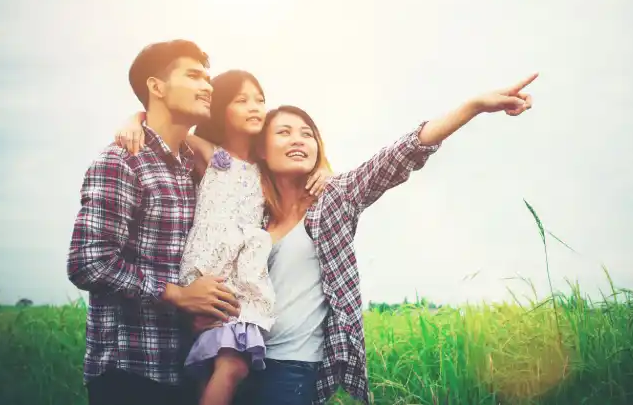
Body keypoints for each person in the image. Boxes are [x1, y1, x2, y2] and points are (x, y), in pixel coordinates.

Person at [226, 73, 538, 405]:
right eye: (284, 133)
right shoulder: (252, 212)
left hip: (293, 368)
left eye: (307, 134)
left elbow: (401, 154)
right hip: (239, 360)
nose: (298, 140)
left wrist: (474, 106)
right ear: (262, 149)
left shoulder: (336, 198)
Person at [112, 69, 331, 405]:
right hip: (212, 270)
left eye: (259, 100)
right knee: (233, 366)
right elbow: (163, 128)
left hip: (241, 276)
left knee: (215, 366)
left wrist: (323, 170)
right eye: (241, 100)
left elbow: (300, 172)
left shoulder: (266, 167)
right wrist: (135, 119)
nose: (255, 106)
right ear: (219, 109)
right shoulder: (212, 154)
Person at [67, 40, 243, 405]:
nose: (207, 87)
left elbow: (250, 174)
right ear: (156, 87)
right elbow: (88, 262)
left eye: (207, 78)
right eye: (193, 76)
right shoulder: (122, 161)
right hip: (130, 371)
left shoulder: (192, 168)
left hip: (185, 367)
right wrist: (177, 294)